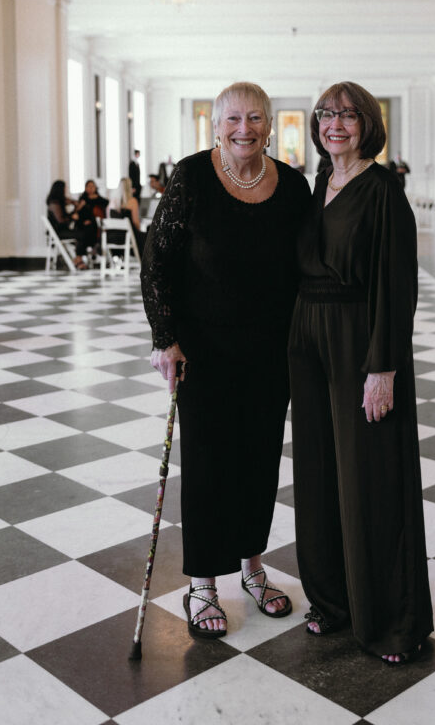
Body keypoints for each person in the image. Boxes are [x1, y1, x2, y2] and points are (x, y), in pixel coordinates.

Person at [141, 82, 311, 639]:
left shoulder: (292, 186)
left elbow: (309, 266)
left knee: (260, 460)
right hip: (203, 351)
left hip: (270, 351)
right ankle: (202, 583)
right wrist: (165, 338)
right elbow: (157, 261)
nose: (245, 128)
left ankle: (253, 566)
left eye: (256, 117)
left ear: (270, 123)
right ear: (216, 125)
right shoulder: (190, 178)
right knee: (211, 462)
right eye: (233, 118)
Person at [288, 81, 433, 664]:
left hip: (357, 338)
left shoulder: (382, 191)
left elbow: (397, 287)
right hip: (307, 335)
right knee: (320, 473)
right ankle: (334, 602)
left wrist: (383, 368)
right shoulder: (318, 183)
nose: (334, 124)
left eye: (348, 115)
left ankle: (392, 621)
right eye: (326, 114)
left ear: (368, 123)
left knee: (369, 476)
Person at [45, 179, 95, 269]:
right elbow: (61, 221)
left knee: (84, 231)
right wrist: (72, 216)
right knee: (81, 234)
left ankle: (78, 258)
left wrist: (77, 205)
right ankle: (78, 259)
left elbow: (73, 202)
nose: (66, 190)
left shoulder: (60, 201)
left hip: (62, 230)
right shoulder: (54, 203)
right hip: (57, 232)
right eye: (64, 188)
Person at [110, 177, 146, 257]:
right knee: (146, 237)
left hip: (113, 236)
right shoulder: (132, 201)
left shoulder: (113, 202)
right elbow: (136, 222)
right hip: (128, 236)